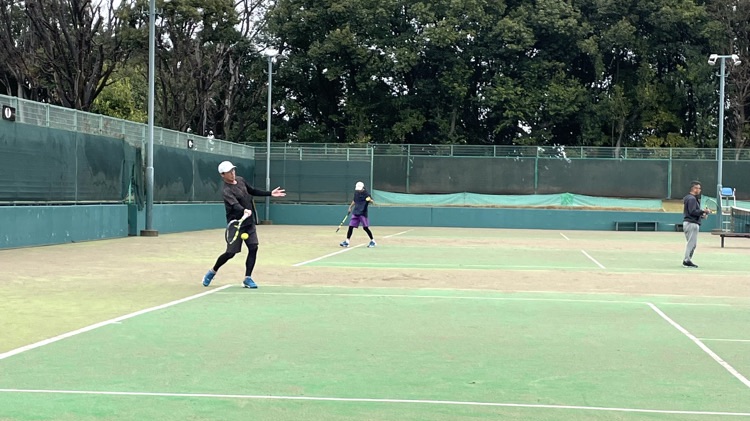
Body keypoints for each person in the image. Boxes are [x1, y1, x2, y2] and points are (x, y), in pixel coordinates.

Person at [202, 161, 286, 288]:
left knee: (253, 247)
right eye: (229, 172)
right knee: (230, 253)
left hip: (249, 223)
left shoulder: (240, 180)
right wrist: (244, 210)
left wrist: (270, 193)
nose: (232, 173)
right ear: (222, 175)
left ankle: (248, 278)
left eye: (233, 170)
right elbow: (235, 205)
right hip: (236, 225)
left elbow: (252, 191)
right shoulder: (226, 190)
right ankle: (212, 272)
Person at [682, 181, 711, 268]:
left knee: (692, 244)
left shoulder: (689, 198)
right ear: (694, 189)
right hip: (691, 224)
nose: (700, 190)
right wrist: (703, 211)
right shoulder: (692, 199)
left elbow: (692, 212)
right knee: (691, 244)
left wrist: (702, 215)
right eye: (698, 188)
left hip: (689, 223)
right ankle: (687, 261)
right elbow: (692, 211)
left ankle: (687, 260)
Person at [340, 181, 376, 248]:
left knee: (365, 228)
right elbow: (354, 200)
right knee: (350, 226)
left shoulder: (366, 194)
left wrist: (369, 200)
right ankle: (347, 242)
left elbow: (372, 202)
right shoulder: (356, 193)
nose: (358, 190)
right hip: (356, 212)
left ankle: (373, 241)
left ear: (363, 188)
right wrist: (350, 207)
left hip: (363, 213)